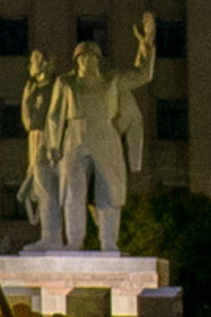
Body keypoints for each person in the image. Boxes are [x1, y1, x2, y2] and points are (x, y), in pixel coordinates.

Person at [54, 14, 158, 253]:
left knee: (109, 190)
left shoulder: (112, 80)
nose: (88, 61)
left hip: (105, 134)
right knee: (72, 192)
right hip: (75, 135)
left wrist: (147, 42)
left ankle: (109, 242)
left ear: (99, 60)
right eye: (83, 57)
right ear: (76, 60)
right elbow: (54, 116)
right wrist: (53, 145)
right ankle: (73, 241)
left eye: (92, 57)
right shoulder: (66, 82)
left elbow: (143, 74)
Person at [16, 46, 70, 246]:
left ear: (45, 63)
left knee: (50, 190)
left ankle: (54, 237)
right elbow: (29, 124)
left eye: (34, 60)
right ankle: (49, 236)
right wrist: (26, 99)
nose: (30, 64)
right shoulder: (33, 89)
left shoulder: (57, 86)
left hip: (53, 140)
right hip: (35, 139)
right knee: (42, 188)